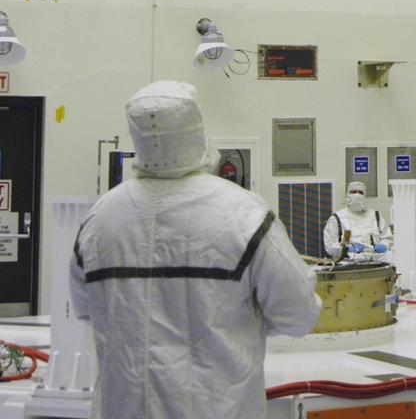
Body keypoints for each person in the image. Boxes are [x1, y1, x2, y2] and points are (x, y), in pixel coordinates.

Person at [70, 80, 321, 419]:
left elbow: (87, 310)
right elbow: (299, 316)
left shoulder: (100, 220)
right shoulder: (243, 215)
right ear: (197, 128)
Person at [323, 180, 394, 263]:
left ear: (364, 196)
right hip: (350, 257)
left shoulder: (374, 215)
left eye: (360, 192)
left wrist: (384, 245)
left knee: (395, 259)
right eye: (353, 192)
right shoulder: (337, 218)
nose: (357, 195)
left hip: (375, 255)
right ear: (348, 195)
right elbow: (330, 245)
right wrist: (347, 249)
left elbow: (387, 236)